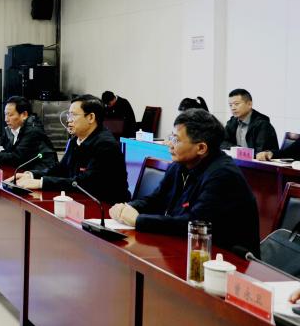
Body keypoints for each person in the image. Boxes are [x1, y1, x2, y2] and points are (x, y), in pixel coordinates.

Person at [110, 109, 260, 256]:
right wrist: (127, 208)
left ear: (201, 148)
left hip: (227, 258)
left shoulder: (223, 175)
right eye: (171, 137)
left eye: (176, 140)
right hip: (189, 247)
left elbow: (194, 224)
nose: (170, 144)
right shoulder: (179, 165)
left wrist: (138, 220)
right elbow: (156, 200)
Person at [15, 94, 130, 205]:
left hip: (106, 207)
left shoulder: (106, 145)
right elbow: (61, 169)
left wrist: (41, 183)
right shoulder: (76, 140)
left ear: (91, 117)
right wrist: (32, 175)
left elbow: (84, 183)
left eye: (73, 115)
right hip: (80, 201)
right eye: (68, 115)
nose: (68, 120)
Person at [0, 95, 56, 174]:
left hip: (40, 173)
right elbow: (0, 149)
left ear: (24, 115)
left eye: (10, 115)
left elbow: (16, 157)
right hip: (20, 170)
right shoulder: (10, 129)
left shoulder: (33, 131)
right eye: (5, 115)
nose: (6, 119)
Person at [222, 88, 278, 161]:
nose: (233, 108)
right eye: (230, 105)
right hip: (239, 162)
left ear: (249, 104)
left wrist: (239, 151)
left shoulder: (262, 124)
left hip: (258, 165)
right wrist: (238, 149)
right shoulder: (232, 122)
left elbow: (260, 153)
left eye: (236, 104)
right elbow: (222, 142)